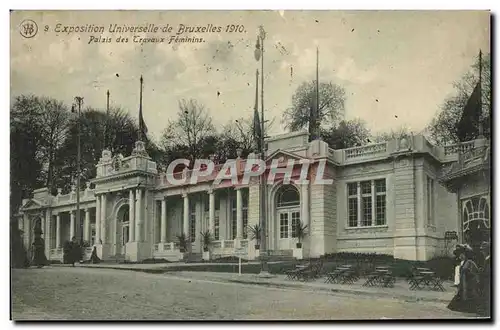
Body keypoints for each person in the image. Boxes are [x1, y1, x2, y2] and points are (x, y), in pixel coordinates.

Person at [447, 244, 480, 314]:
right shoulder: (463, 262)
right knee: (461, 296)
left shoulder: (470, 262)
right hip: (464, 283)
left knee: (469, 295)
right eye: (459, 255)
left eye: (462, 255)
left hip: (469, 283)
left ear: (465, 255)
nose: (460, 256)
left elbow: (475, 272)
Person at [477, 241, 491, 317]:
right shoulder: (486, 259)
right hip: (485, 281)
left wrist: (481, 271)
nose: (482, 252)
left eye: (483, 250)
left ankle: (487, 312)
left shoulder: (489, 259)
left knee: (487, 295)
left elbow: (488, 272)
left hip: (487, 281)